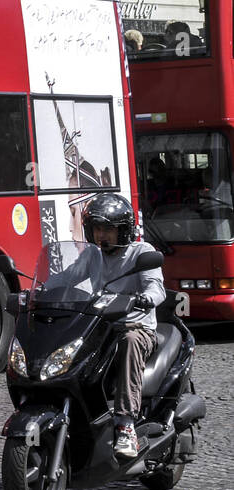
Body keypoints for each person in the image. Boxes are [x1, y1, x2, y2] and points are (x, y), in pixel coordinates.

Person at [57, 193, 165, 459]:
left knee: (129, 341)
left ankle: (126, 424)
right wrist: (36, 292)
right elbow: (67, 277)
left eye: (107, 229)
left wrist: (143, 298)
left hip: (135, 327)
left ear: (123, 230)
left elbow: (157, 288)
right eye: (96, 229)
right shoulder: (92, 256)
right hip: (99, 327)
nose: (101, 235)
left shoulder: (142, 253)